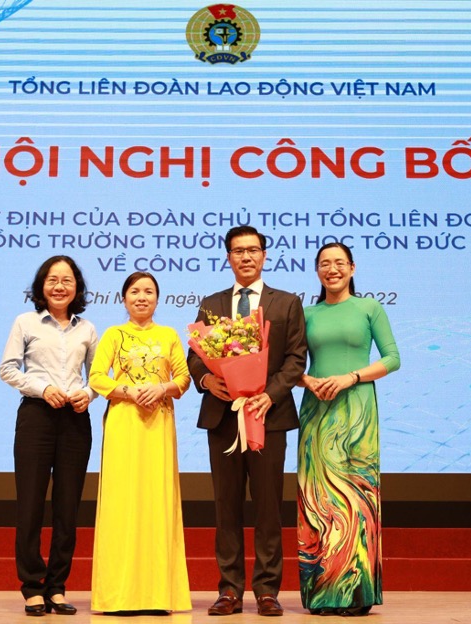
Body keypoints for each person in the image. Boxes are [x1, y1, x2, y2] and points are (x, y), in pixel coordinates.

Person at [188, 225, 308, 617]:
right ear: (228, 257)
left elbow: (295, 359)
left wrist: (267, 394)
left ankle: (268, 590)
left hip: (268, 419)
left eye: (253, 250)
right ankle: (229, 589)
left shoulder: (286, 302)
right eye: (238, 251)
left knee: (269, 507)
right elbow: (195, 357)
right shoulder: (212, 302)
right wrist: (206, 380)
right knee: (226, 508)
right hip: (223, 420)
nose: (246, 257)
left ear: (264, 256)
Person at [297, 242, 401, 616]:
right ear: (317, 271)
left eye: (339, 263)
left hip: (358, 410)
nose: (332, 269)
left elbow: (393, 358)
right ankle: (322, 592)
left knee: (358, 500)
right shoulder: (306, 313)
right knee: (320, 502)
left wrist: (350, 377)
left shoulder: (369, 308)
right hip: (317, 411)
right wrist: (308, 381)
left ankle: (357, 594)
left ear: (352, 268)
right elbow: (287, 364)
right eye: (325, 263)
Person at [0, 255, 98, 617]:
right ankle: (31, 587)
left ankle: (57, 586)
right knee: (30, 504)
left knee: (68, 508)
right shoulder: (25, 322)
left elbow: (98, 377)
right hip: (36, 418)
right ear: (42, 285)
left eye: (67, 280)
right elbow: (7, 369)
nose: (60, 286)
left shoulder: (86, 329)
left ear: (77, 288)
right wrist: (42, 388)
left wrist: (86, 394)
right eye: (53, 279)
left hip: (74, 420)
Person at [88, 271, 192, 614]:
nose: (142, 297)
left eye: (149, 291)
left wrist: (162, 388)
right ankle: (117, 596)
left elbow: (183, 377)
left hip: (158, 424)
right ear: (124, 299)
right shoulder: (113, 335)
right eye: (135, 291)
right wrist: (131, 391)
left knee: (156, 502)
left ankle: (159, 595)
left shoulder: (169, 335)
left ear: (158, 299)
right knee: (122, 504)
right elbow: (97, 376)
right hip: (124, 423)